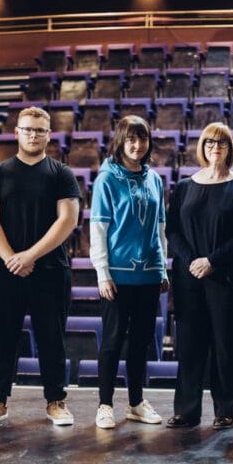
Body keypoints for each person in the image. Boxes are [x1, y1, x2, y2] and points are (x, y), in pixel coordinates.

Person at [0, 107, 81, 426]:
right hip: (6, 271)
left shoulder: (61, 173)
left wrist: (29, 256)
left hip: (49, 271)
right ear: (17, 132)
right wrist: (12, 257)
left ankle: (56, 401)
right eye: (27, 130)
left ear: (48, 135)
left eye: (39, 130)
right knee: (4, 337)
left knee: (51, 337)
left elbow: (68, 220)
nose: (33, 135)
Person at [166, 123, 233, 429]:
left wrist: (212, 261)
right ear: (201, 148)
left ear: (230, 148)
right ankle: (187, 410)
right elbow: (172, 230)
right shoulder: (185, 187)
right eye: (209, 143)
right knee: (189, 344)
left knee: (225, 345)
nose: (214, 148)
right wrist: (193, 260)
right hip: (189, 275)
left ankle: (226, 410)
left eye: (221, 143)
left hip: (226, 276)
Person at [90, 115, 168, 429]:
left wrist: (162, 267)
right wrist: (102, 273)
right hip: (117, 276)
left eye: (142, 139)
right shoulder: (106, 179)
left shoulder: (155, 180)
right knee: (111, 342)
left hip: (149, 275)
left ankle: (135, 402)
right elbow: (98, 229)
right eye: (130, 139)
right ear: (121, 141)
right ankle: (105, 404)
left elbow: (161, 228)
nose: (137, 146)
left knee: (140, 342)